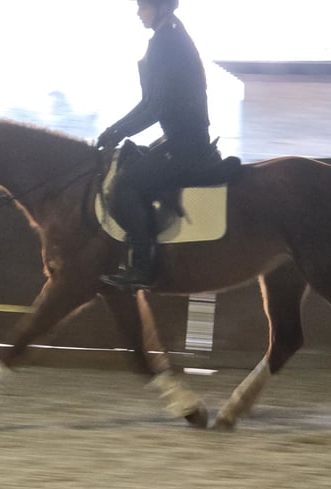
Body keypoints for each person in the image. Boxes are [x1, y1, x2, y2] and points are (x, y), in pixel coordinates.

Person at [97, 0, 213, 289]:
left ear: (160, 8)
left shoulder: (168, 41)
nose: (138, 12)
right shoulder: (168, 36)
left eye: (143, 6)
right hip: (178, 137)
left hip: (185, 143)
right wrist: (115, 131)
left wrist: (116, 132)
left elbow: (155, 107)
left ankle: (142, 268)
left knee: (124, 185)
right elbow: (151, 103)